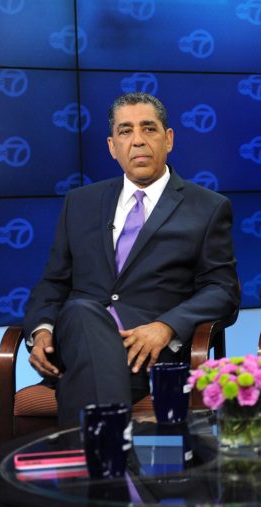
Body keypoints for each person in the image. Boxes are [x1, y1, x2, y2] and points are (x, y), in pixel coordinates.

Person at [24, 92, 239, 426]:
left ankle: (100, 466)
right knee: (81, 310)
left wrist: (166, 327)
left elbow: (222, 290)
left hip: (146, 355)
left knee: (83, 371)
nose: (137, 140)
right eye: (125, 131)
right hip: (78, 341)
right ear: (112, 146)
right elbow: (53, 282)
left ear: (168, 139)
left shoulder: (207, 207)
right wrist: (41, 331)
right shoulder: (79, 203)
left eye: (148, 129)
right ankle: (115, 463)